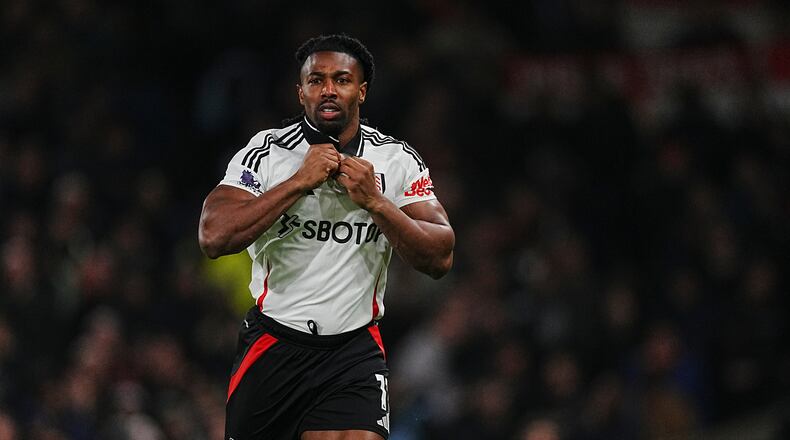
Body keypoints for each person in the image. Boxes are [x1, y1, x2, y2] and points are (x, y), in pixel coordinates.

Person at [198, 34, 455, 440]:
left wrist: (376, 202)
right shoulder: (267, 152)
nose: (329, 89)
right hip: (274, 345)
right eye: (316, 80)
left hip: (353, 354)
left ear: (362, 91)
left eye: (342, 79)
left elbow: (440, 255)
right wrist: (298, 182)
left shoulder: (395, 159)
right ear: (300, 93)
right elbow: (213, 236)